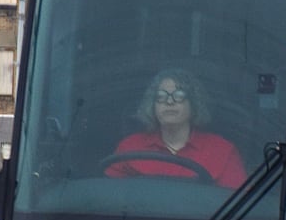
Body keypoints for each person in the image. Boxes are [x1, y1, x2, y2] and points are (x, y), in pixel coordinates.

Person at [106, 68, 247, 188]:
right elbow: (110, 198)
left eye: (179, 95)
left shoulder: (222, 151)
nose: (169, 102)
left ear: (194, 103)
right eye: (160, 96)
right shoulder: (129, 148)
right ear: (152, 105)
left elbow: (238, 206)